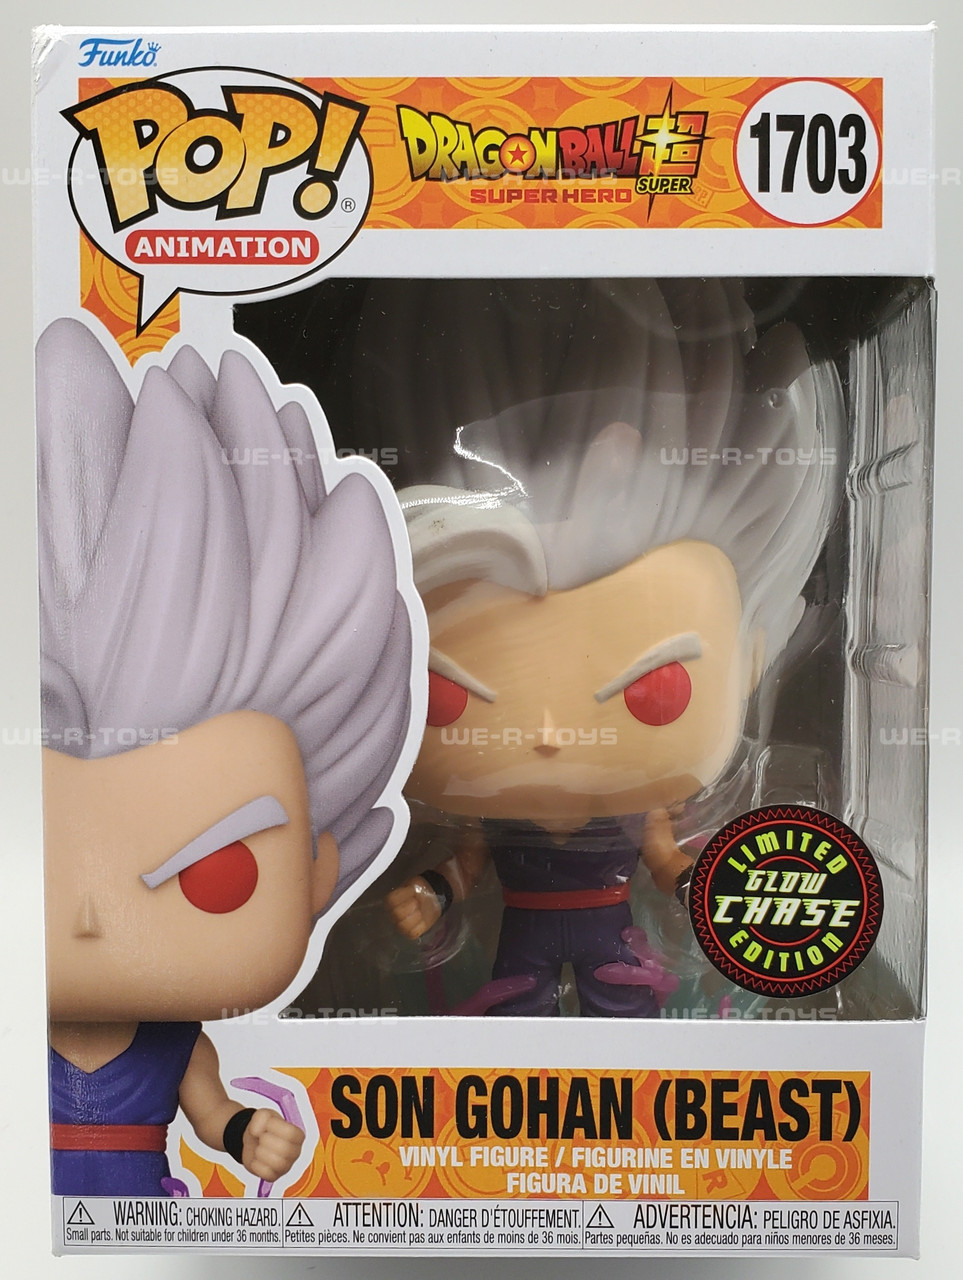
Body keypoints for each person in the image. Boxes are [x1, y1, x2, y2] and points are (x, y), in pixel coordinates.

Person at [383, 278, 840, 1016]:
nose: (551, 735)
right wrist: (432, 891)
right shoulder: (492, 820)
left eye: (654, 692)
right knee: (513, 1011)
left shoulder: (637, 812)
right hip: (523, 940)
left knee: (624, 1009)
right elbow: (465, 867)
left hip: (614, 940)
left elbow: (665, 861)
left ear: (750, 663)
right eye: (448, 695)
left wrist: (704, 889)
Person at [38, 318, 415, 1193]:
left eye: (218, 874)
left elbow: (216, 1115)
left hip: (146, 1220)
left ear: (319, 872)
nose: (89, 921)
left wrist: (249, 1134)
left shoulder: (176, 1043)